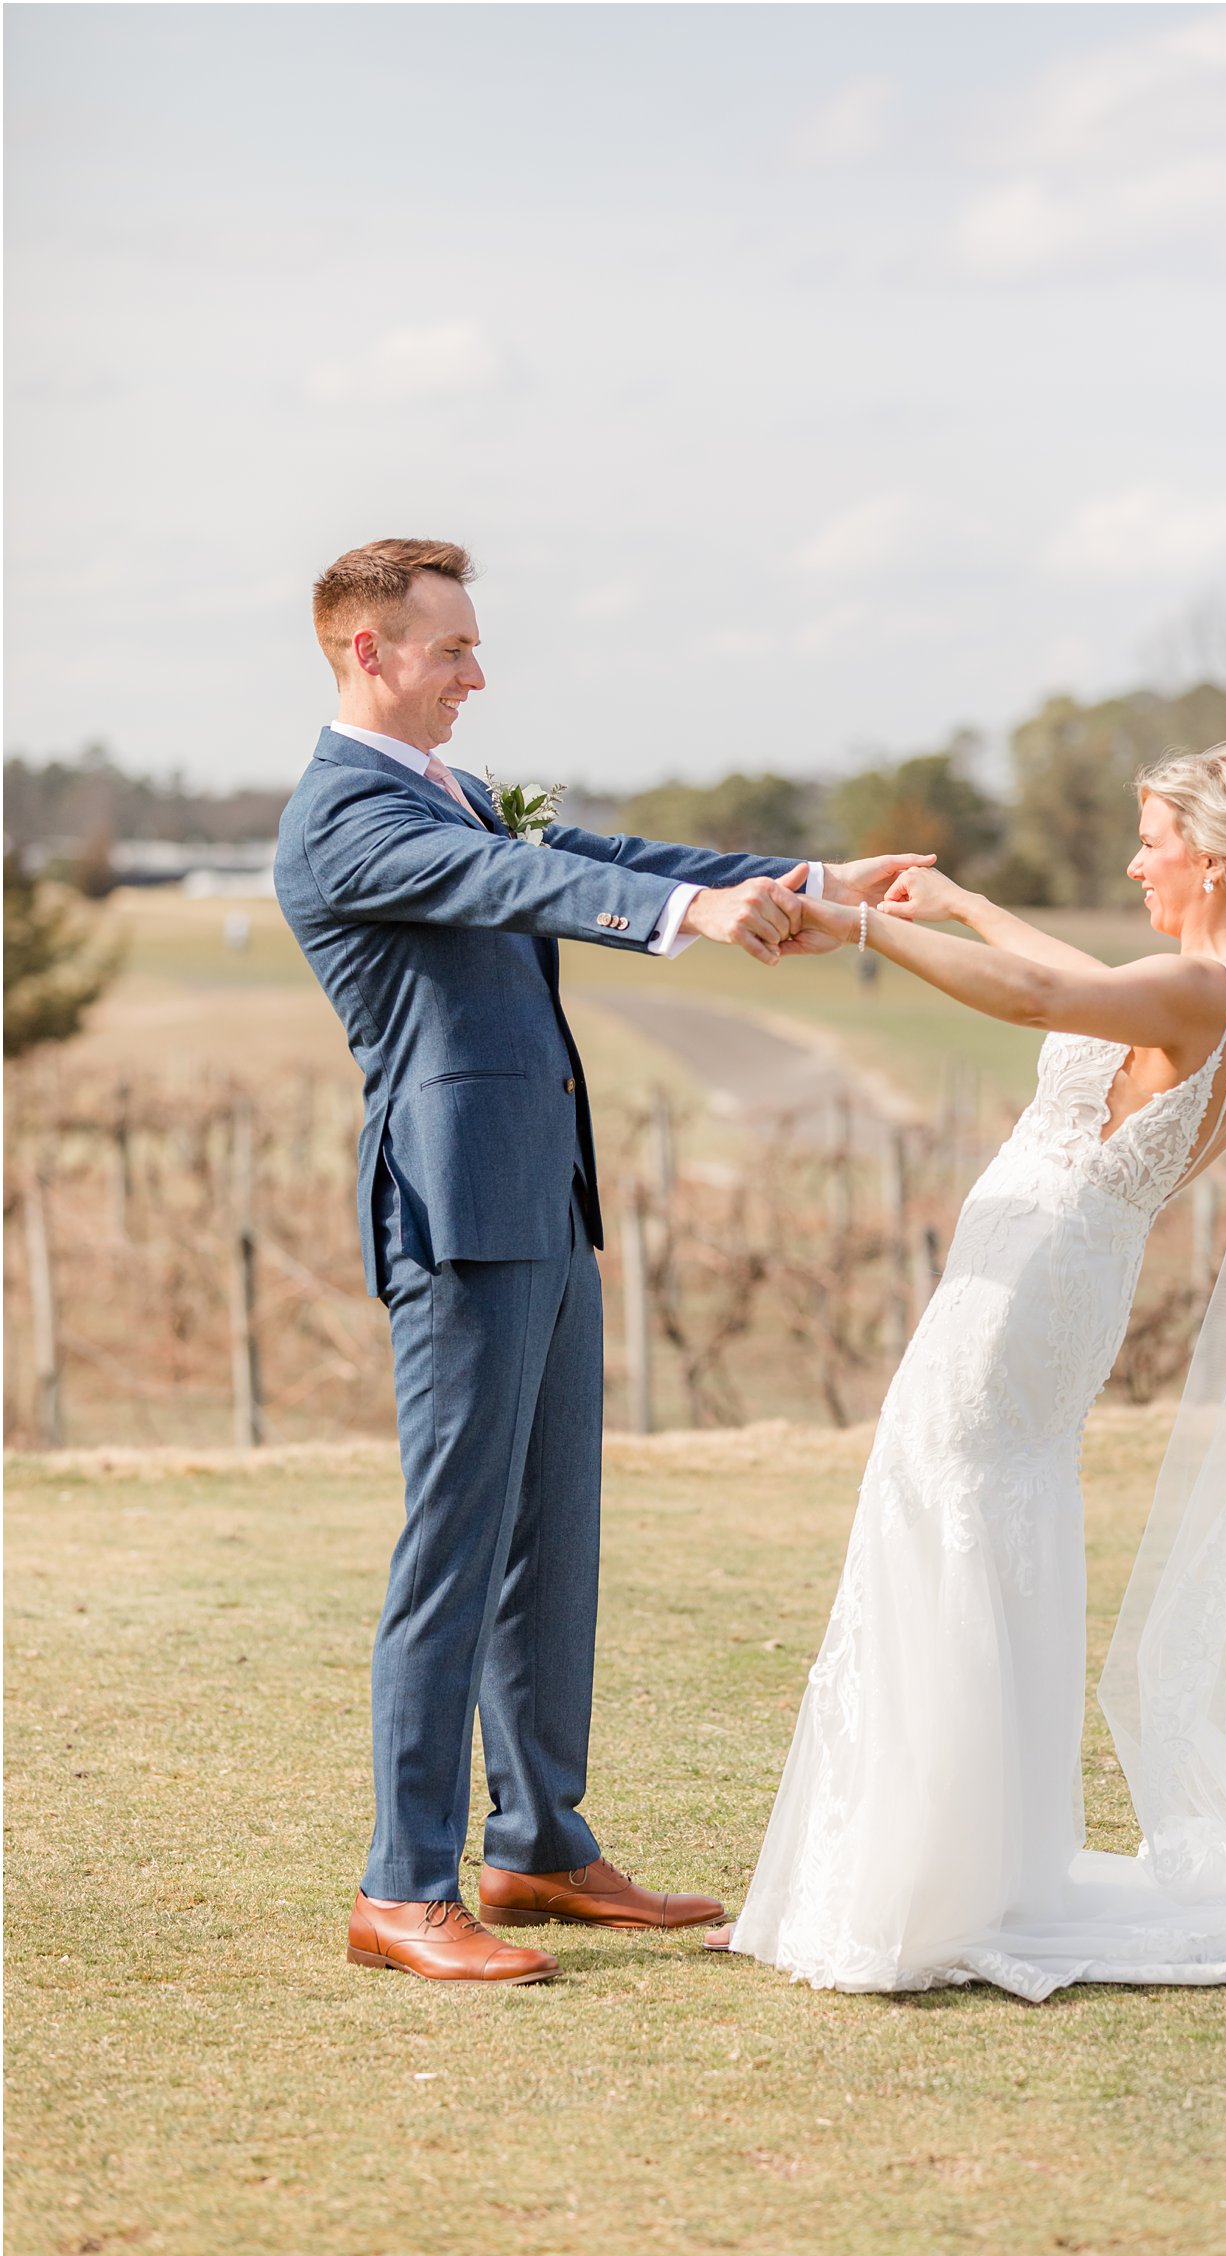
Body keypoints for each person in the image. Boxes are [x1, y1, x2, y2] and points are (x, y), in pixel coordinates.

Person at [707, 737, 1226, 1998]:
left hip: (1022, 1295)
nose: (1134, 862)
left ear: (1214, 858)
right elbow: (1072, 978)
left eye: (1151, 842)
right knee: (977, 1521)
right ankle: (960, 1862)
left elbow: (1035, 1001)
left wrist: (860, 929)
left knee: (947, 1517)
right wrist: (966, 905)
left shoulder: (1201, 992)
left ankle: (927, 1880)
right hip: (1060, 1284)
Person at [274, 538, 929, 1982]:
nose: (476, 671)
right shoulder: (342, 817)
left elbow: (595, 859)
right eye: (452, 648)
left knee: (553, 1538)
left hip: (547, 1204)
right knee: (452, 1547)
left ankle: (540, 1846)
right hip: (456, 1216)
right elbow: (507, 879)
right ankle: (400, 1885)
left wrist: (808, 879)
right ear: (368, 653)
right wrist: (691, 920)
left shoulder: (444, 789)